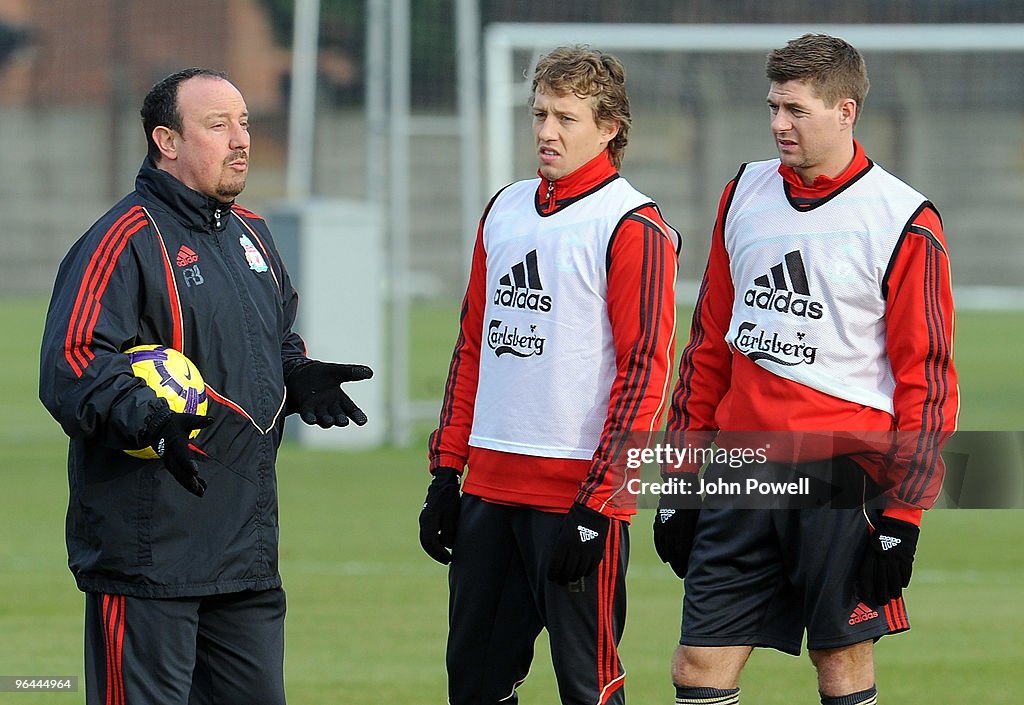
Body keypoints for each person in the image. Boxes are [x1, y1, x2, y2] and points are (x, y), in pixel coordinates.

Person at [38, 67, 372, 705]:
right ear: (166, 141)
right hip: (148, 557)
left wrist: (298, 375)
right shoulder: (121, 240)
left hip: (244, 555)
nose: (240, 139)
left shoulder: (252, 233)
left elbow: (274, 338)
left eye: (243, 122)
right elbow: (73, 363)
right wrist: (149, 418)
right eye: (218, 125)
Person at [653, 34, 958, 705]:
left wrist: (903, 515)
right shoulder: (743, 193)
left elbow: (927, 383)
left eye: (795, 109)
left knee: (840, 661)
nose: (778, 124)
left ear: (845, 110)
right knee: (698, 661)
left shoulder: (903, 218)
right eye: (772, 107)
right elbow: (708, 350)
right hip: (739, 465)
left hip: (842, 472)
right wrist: (676, 479)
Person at [419, 45, 680, 704]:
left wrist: (602, 504)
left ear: (610, 127)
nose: (545, 131)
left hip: (575, 498)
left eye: (565, 116)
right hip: (489, 492)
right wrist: (447, 472)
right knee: (474, 682)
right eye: (539, 113)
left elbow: (644, 372)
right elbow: (472, 345)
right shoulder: (503, 208)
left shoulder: (633, 225)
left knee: (587, 688)